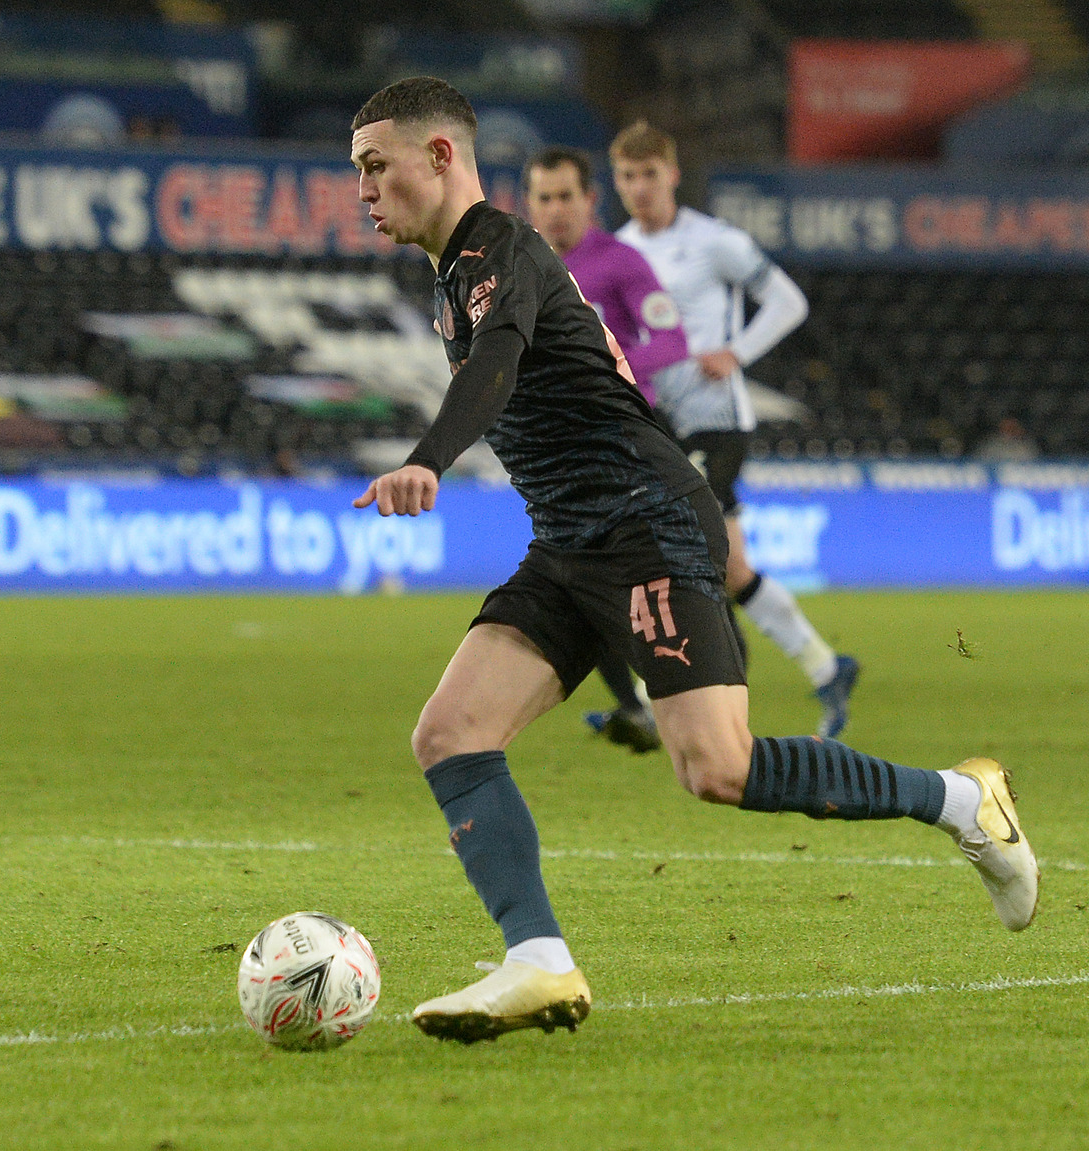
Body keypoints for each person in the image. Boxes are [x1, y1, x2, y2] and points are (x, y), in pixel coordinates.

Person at [346, 78, 1038, 1045]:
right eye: (357, 170)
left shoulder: (500, 250)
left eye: (376, 165)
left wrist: (428, 458)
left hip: (647, 523)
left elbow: (496, 368)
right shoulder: (455, 272)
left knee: (716, 767)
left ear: (442, 157)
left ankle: (964, 800)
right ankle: (538, 960)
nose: (364, 188)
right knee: (452, 732)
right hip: (570, 539)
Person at [610, 122, 861, 739]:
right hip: (659, 420)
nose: (639, 187)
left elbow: (788, 301)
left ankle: (649, 700)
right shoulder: (618, 251)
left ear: (671, 175)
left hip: (716, 418)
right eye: (627, 176)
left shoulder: (715, 241)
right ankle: (826, 666)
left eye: (649, 174)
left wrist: (738, 351)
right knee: (729, 567)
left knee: (675, 547)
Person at [523, 145, 691, 754]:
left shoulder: (620, 262)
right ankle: (639, 705)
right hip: (558, 454)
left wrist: (610, 364)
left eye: (566, 196)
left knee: (632, 580)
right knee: (586, 584)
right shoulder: (519, 268)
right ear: (529, 203)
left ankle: (672, 702)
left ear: (590, 200)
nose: (556, 209)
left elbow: (672, 339)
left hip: (625, 442)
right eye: (544, 197)